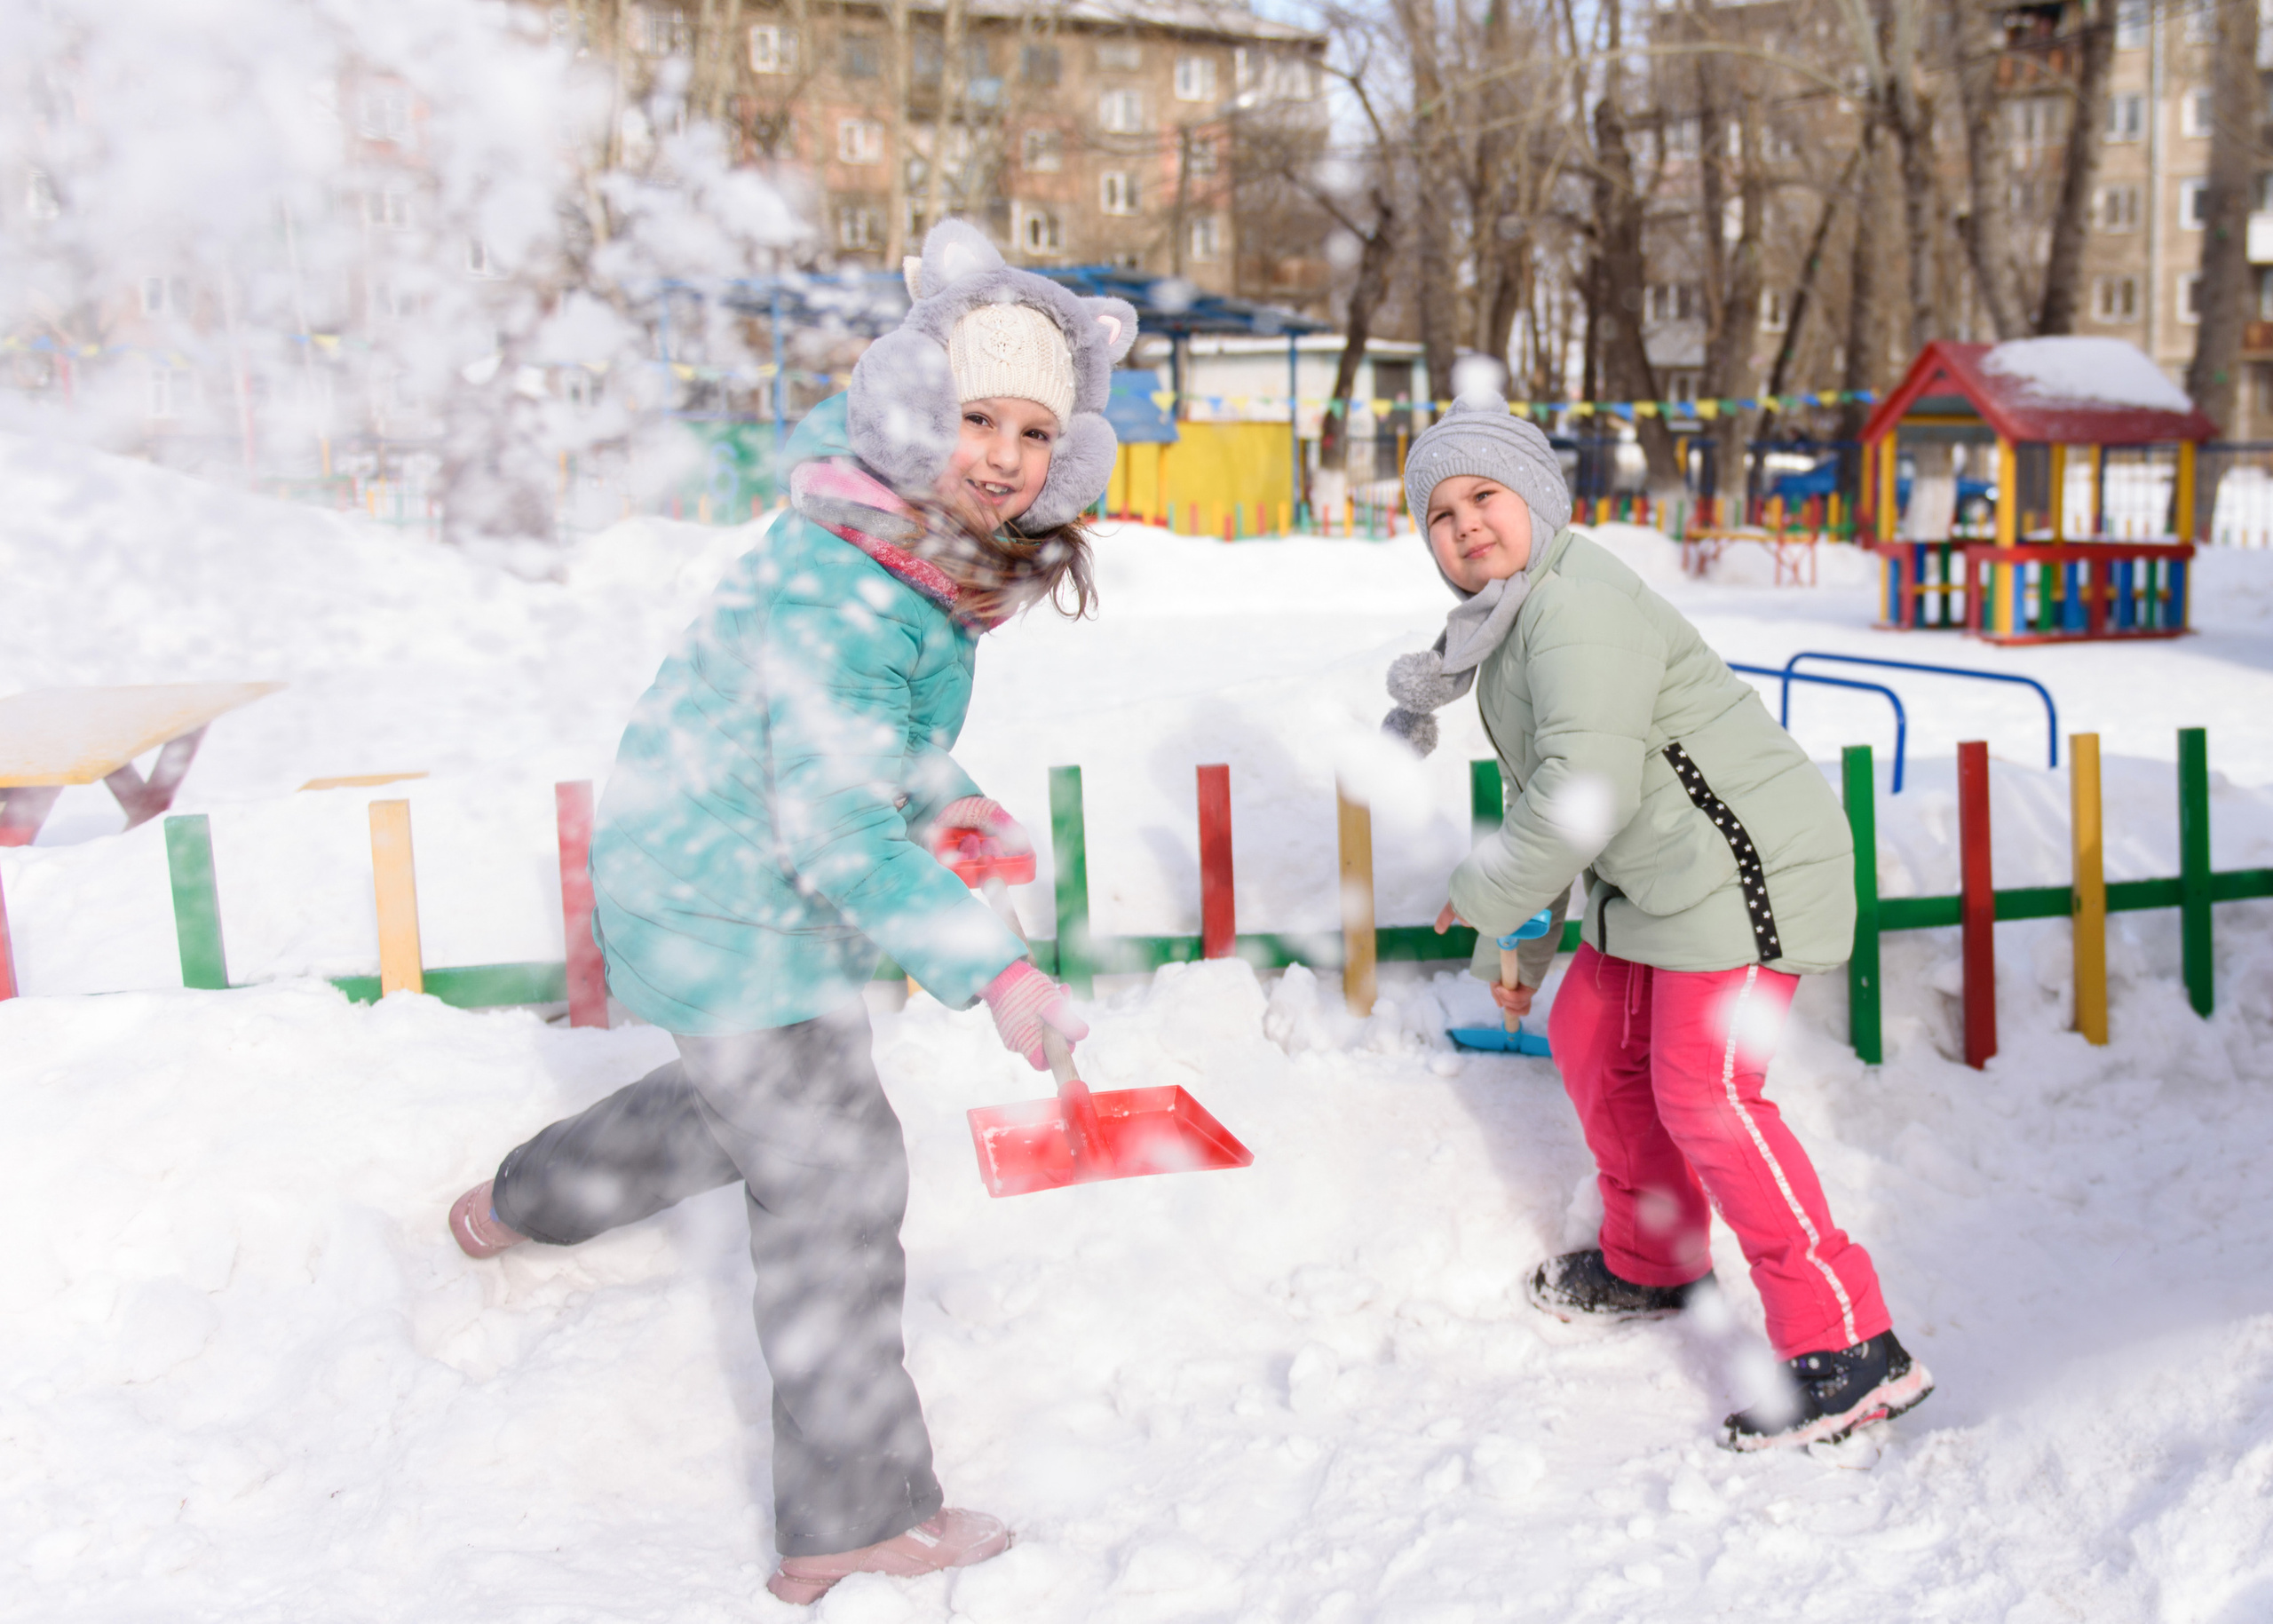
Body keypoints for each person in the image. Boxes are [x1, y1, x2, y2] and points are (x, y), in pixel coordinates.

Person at [446, 220, 1137, 1604]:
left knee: (735, 1102)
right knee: (833, 1181)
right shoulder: (858, 583)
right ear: (908, 410)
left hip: (694, 877)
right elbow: (832, 825)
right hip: (734, 903)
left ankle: (514, 1204)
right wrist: (995, 974)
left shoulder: (893, 545)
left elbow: (856, 747)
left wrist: (949, 805)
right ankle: (854, 1515)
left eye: (1030, 430)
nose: (1001, 455)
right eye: (974, 417)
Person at [1383, 396, 1933, 1452]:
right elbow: (1551, 792)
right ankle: (1653, 1258)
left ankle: (1849, 1343)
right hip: (1661, 885)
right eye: (1440, 513)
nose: (1464, 525)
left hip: (1742, 871)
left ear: (1540, 501)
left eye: (1484, 495)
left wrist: (1487, 896)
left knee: (1708, 1090)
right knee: (1595, 1032)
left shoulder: (1576, 609)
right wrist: (1524, 946)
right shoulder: (1514, 624)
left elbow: (1578, 788)